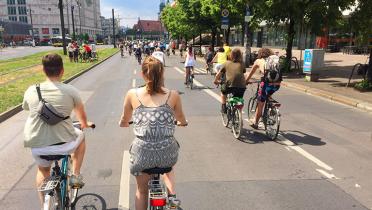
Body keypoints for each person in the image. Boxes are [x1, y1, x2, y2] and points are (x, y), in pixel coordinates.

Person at [119, 56, 187, 210]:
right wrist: (183, 123)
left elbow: (125, 119)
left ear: (143, 74)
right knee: (169, 167)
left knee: (141, 191)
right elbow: (181, 118)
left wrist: (123, 123)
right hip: (167, 155)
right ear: (162, 74)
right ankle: (171, 195)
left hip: (142, 155)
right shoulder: (173, 95)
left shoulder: (132, 94)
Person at [22, 53, 89, 206]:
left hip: (38, 146)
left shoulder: (32, 90)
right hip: (65, 144)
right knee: (81, 136)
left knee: (43, 171)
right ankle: (76, 176)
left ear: (43, 70)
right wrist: (85, 123)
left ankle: (43, 205)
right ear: (62, 71)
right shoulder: (71, 91)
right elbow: (81, 118)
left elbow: (26, 107)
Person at [245, 48, 281, 129]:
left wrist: (246, 81)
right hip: (277, 84)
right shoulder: (274, 61)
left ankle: (256, 123)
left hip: (266, 84)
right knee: (269, 94)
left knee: (261, 103)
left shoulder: (258, 61)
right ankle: (272, 108)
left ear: (260, 53)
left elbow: (251, 73)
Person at [213, 48, 246, 113]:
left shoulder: (226, 63)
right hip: (242, 87)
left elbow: (218, 74)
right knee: (238, 98)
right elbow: (243, 74)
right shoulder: (242, 64)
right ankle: (235, 111)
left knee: (223, 93)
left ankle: (224, 107)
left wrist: (215, 80)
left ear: (231, 55)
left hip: (229, 86)